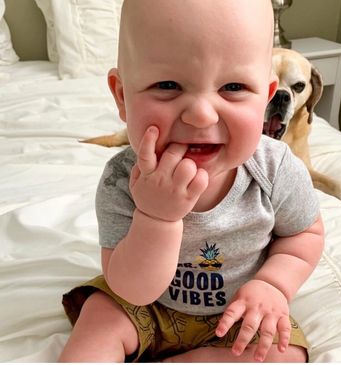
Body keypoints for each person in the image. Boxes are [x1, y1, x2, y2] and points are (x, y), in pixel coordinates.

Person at [59, 0, 324, 362]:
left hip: (241, 309)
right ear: (122, 96)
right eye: (167, 85)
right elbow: (132, 289)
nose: (201, 114)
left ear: (264, 95)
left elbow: (304, 235)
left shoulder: (276, 170)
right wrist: (156, 217)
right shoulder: (122, 180)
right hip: (146, 305)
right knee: (100, 317)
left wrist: (273, 284)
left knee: (283, 353)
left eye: (232, 86)